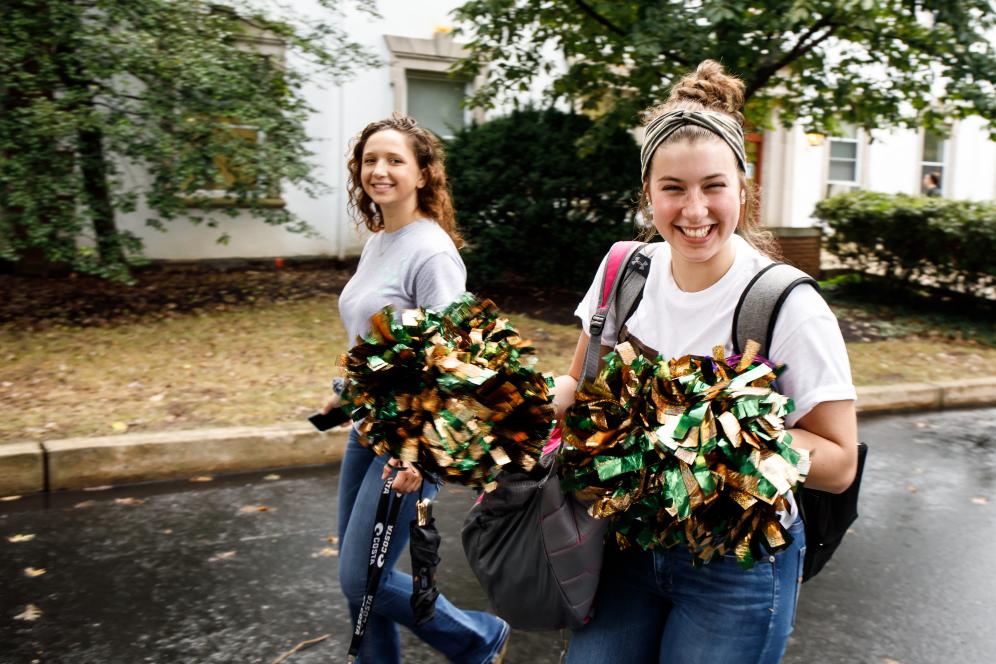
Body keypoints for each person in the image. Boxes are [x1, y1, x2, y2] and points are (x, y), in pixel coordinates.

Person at [551, 61, 859, 664]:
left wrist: (717, 440)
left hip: (738, 565)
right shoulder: (623, 272)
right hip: (627, 544)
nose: (695, 211)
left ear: (743, 190)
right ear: (649, 194)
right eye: (674, 188)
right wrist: (494, 413)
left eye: (714, 186)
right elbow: (577, 384)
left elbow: (839, 462)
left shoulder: (785, 303)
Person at [324, 115, 510, 663]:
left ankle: (477, 638)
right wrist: (347, 387)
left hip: (407, 443)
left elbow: (453, 362)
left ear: (424, 174)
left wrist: (416, 452)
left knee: (366, 580)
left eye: (395, 160)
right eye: (370, 160)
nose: (379, 171)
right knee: (356, 579)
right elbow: (379, 339)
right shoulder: (381, 239)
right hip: (367, 430)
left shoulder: (430, 252)